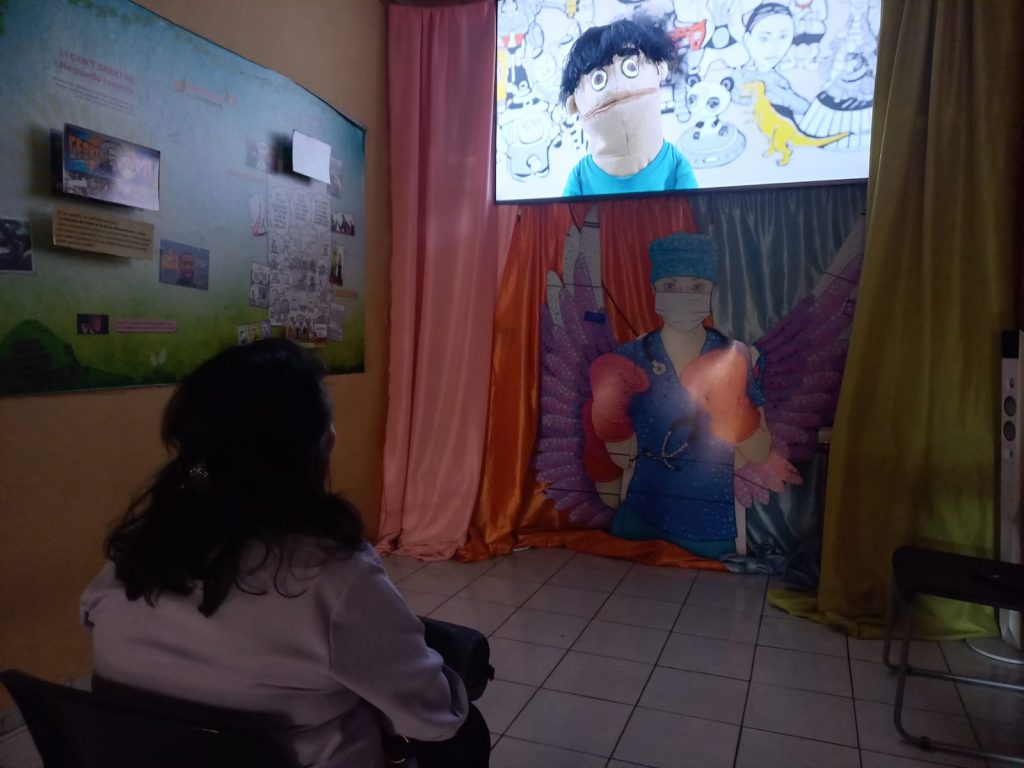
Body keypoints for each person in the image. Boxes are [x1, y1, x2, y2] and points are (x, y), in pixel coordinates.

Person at [80, 340, 473, 767]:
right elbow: (433, 718)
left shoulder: (133, 553)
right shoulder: (333, 578)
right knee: (465, 733)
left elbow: (96, 620)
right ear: (316, 448)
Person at [586, 233, 771, 558]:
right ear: (654, 290)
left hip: (711, 527)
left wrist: (734, 413)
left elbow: (759, 451)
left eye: (697, 286)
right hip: (641, 518)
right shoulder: (629, 358)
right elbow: (620, 458)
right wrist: (609, 425)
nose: (683, 296)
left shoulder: (737, 356)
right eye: (671, 285)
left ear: (712, 292)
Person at [560, 17, 698, 197]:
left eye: (630, 66)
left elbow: (692, 212)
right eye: (598, 79)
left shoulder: (674, 164)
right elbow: (567, 217)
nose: (615, 86)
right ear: (574, 103)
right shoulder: (580, 177)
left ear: (659, 69)